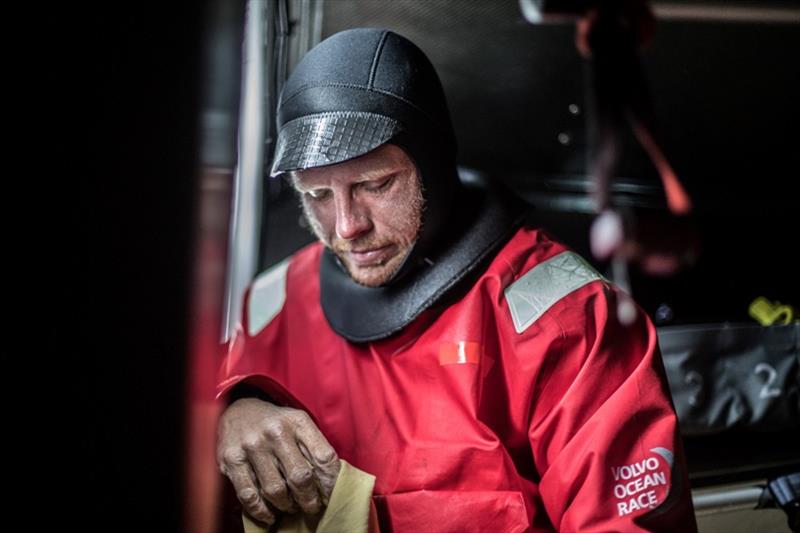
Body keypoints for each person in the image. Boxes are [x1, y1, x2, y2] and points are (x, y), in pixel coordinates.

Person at [216, 28, 697, 532]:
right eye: (317, 194)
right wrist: (227, 409)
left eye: (375, 184)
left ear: (432, 162)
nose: (346, 227)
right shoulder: (270, 307)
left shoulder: (566, 317)